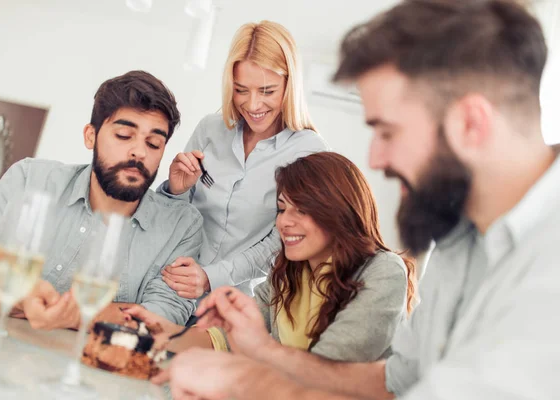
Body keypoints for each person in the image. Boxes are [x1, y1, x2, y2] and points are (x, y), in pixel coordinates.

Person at [160, 1, 560, 399]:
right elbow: (394, 383)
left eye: (388, 132)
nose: (374, 160)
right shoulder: (458, 245)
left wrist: (242, 381)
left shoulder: (547, 267)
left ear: (471, 123)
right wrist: (257, 350)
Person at [0, 71, 203, 330]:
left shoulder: (181, 226)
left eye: (154, 143)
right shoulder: (29, 179)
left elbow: (162, 317)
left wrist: (74, 314)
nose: (140, 152)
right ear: (90, 136)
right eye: (123, 135)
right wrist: (22, 300)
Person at [126, 152, 415, 361]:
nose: (284, 222)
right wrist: (159, 332)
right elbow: (225, 339)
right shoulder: (289, 275)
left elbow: (327, 370)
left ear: (338, 212)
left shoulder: (383, 272)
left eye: (301, 210)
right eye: (281, 208)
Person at [158, 20, 329, 299]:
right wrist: (176, 190)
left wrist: (209, 277)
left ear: (290, 85)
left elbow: (280, 243)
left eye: (267, 91)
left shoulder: (309, 152)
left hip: (230, 303)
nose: (252, 105)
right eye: (241, 90)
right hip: (168, 284)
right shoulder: (210, 129)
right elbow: (172, 218)